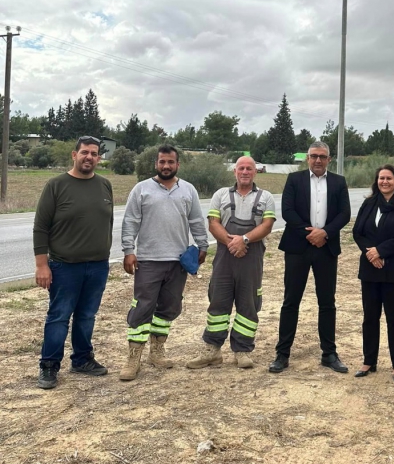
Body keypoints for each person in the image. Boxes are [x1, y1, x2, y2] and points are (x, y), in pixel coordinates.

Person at [119, 144, 208, 381]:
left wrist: (203, 244)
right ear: (156, 164)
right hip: (148, 260)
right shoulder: (141, 190)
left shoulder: (188, 190)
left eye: (170, 162)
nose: (166, 166)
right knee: (142, 307)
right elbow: (130, 222)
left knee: (169, 307)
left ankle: (157, 350)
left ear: (177, 164)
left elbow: (197, 220)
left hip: (178, 261)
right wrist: (129, 250)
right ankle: (133, 358)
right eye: (162, 162)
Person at [33, 136, 114, 390]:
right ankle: (49, 365)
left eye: (94, 153)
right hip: (64, 267)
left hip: (98, 266)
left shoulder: (105, 185)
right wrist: (41, 265)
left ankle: (82, 359)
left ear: (99, 158)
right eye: (84, 152)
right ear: (74, 155)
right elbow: (40, 228)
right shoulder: (56, 185)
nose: (89, 157)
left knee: (87, 316)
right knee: (58, 317)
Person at [186, 156, 276, 370]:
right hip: (225, 256)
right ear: (235, 171)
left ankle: (242, 350)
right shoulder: (220, 195)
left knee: (249, 303)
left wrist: (244, 239)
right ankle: (212, 351)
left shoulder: (266, 197)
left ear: (255, 172)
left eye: (249, 169)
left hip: (251, 258)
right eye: (241, 168)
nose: (245, 172)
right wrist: (232, 242)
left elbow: (267, 225)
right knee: (218, 301)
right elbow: (213, 223)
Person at [269, 141, 351, 374]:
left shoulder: (338, 182)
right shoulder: (294, 180)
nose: (317, 160)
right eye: (314, 156)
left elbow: (345, 213)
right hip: (298, 247)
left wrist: (324, 233)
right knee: (290, 301)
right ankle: (282, 354)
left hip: (326, 247)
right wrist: (310, 233)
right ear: (307, 158)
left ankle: (329, 353)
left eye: (322, 156)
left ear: (329, 159)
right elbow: (288, 211)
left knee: (327, 302)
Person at [352, 164, 394, 383]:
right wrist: (371, 254)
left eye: (389, 178)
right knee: (370, 317)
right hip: (370, 269)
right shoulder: (369, 204)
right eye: (381, 178)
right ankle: (369, 361)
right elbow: (357, 232)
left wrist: (381, 251)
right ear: (376, 181)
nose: (384, 182)